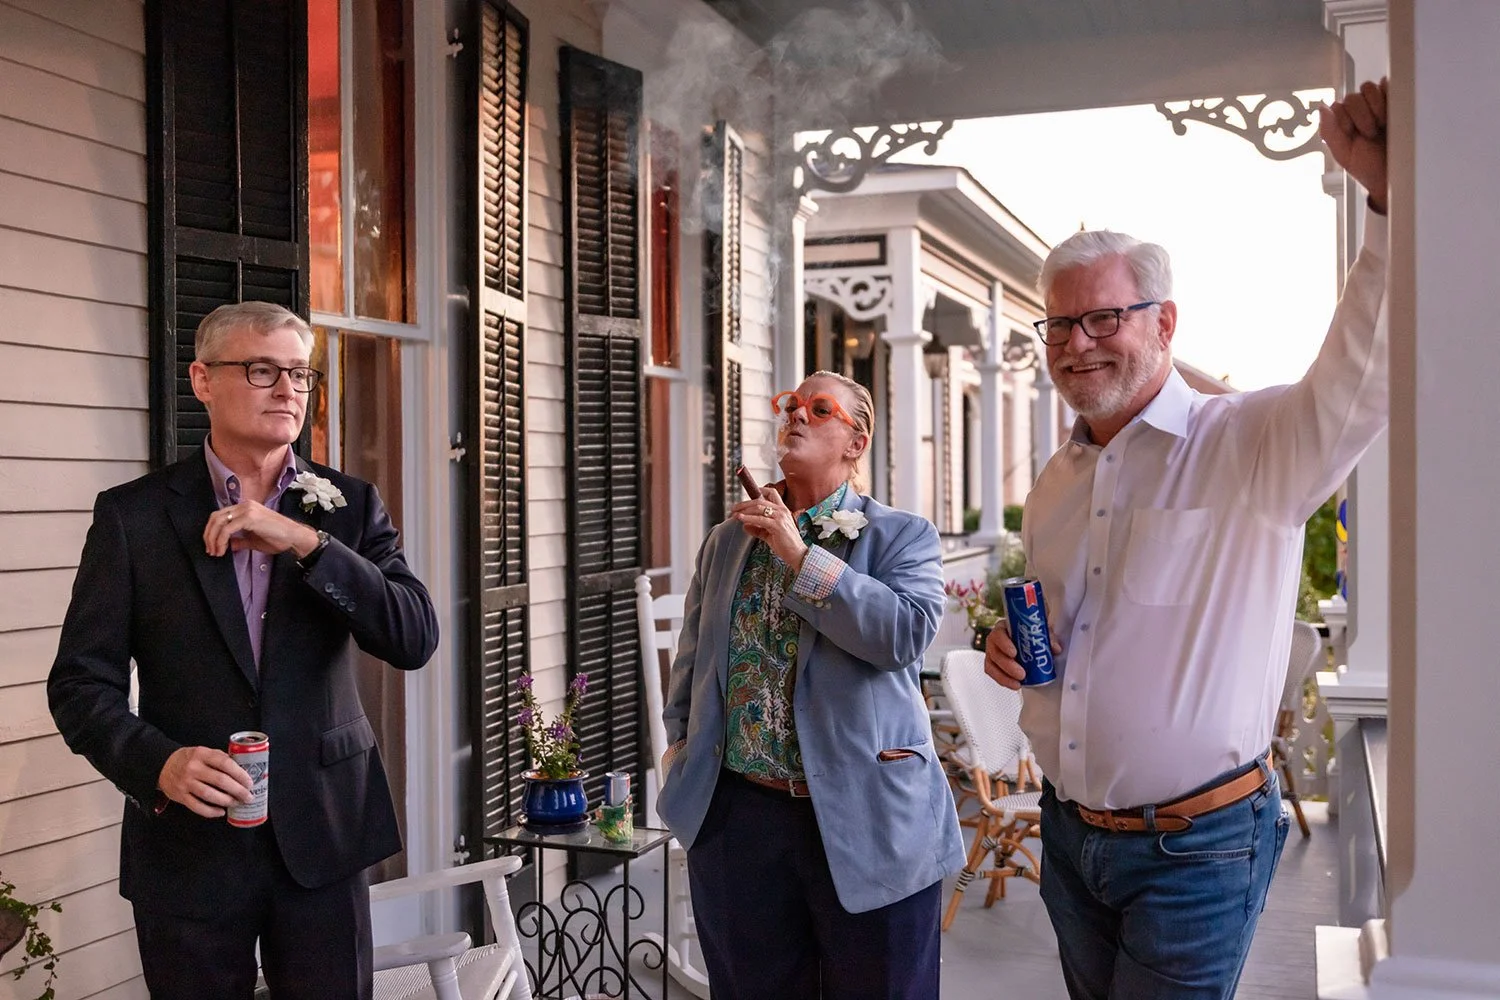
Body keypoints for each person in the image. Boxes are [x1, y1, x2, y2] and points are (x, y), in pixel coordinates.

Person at [984, 80, 1391, 999]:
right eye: (1058, 324)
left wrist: (1386, 206)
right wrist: (1011, 648)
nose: (1076, 343)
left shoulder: (1250, 446)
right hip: (1069, 835)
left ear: (1164, 323)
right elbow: (1066, 640)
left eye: (1104, 318)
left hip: (1195, 849)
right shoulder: (1056, 482)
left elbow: (1363, 374)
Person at [47, 302, 439, 1000]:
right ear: (202, 379)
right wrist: (156, 763)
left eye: (299, 373)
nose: (288, 388)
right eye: (262, 370)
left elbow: (413, 635)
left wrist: (309, 545)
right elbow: (80, 683)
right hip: (187, 849)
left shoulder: (349, 506)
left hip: (324, 835)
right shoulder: (132, 517)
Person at [655, 370, 963, 999]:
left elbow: (900, 636)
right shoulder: (726, 541)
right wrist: (681, 745)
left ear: (856, 442)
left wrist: (800, 556)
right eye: (791, 405)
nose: (796, 415)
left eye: (819, 409)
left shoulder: (901, 536)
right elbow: (693, 660)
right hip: (738, 821)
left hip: (869, 823)